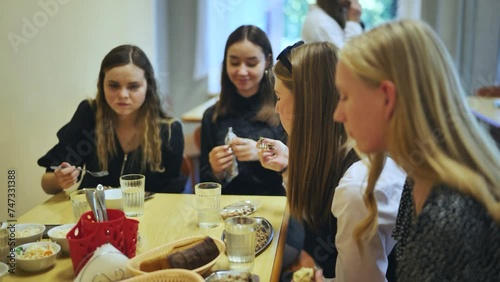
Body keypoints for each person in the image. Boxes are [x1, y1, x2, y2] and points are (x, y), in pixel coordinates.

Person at [333, 19, 500, 281]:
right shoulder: (417, 180)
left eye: (345, 96)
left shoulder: (447, 218)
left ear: (387, 97)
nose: (337, 114)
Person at [257, 41, 405, 281]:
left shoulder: (357, 189)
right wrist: (288, 167)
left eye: (279, 97)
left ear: (307, 104)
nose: (275, 108)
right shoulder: (338, 151)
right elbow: (319, 214)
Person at [38, 45, 185, 194]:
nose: (123, 95)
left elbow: (171, 196)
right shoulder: (89, 114)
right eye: (113, 86)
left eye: (133, 86)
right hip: (95, 214)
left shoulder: (169, 131)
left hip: (146, 214)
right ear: (102, 85)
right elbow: (47, 183)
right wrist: (60, 180)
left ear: (148, 86)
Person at [199, 25, 286, 196]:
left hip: (273, 205)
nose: (242, 71)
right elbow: (204, 184)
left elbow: (298, 173)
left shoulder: (282, 110)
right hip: (227, 209)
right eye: (234, 62)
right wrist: (216, 171)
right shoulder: (213, 116)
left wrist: (262, 151)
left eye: (252, 63)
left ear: (267, 61)